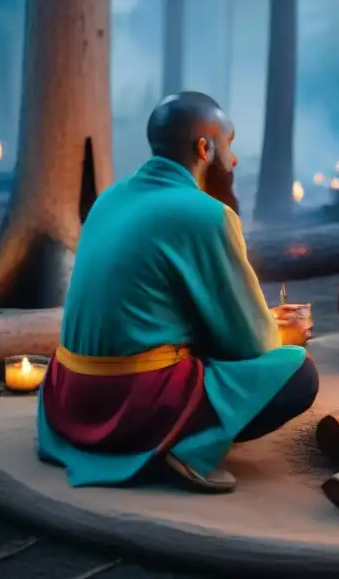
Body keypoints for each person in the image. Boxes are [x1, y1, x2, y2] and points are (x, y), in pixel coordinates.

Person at [37, 92, 317, 493]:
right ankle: (187, 447)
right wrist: (284, 336)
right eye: (230, 144)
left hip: (68, 398)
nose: (233, 159)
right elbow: (250, 345)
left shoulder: (109, 199)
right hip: (130, 406)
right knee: (298, 371)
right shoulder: (206, 214)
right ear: (205, 148)